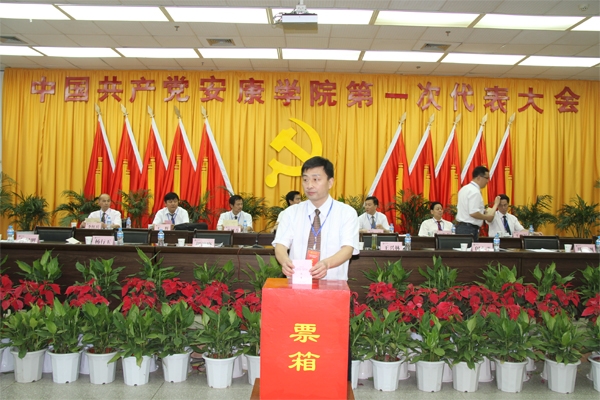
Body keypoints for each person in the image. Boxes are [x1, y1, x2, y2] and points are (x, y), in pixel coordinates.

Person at [273, 156, 359, 281]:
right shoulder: (291, 213)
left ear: (330, 182)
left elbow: (348, 249)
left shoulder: (346, 213)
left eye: (316, 179)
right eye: (305, 180)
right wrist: (285, 261)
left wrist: (326, 264)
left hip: (333, 284)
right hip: (297, 283)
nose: (309, 185)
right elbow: (280, 245)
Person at [455, 166, 500, 241]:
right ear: (479, 177)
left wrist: (482, 211)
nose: (487, 181)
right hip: (469, 229)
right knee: (469, 248)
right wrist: (487, 217)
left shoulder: (464, 188)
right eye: (486, 178)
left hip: (461, 227)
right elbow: (473, 213)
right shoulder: (475, 192)